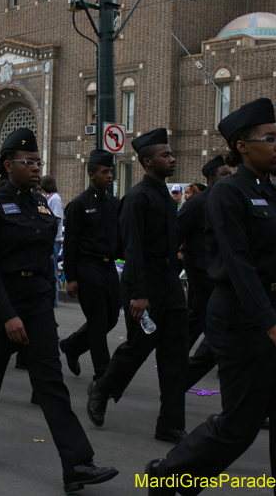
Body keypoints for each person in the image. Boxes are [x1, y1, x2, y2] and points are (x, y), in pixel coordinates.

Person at [145, 98, 276, 496]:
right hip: (243, 321)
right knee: (240, 425)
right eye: (270, 139)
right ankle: (169, 475)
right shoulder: (227, 193)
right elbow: (241, 269)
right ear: (242, 146)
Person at [0, 128, 118, 492]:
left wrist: (46, 299)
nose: (35, 168)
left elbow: (46, 258)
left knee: (51, 383)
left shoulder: (40, 204)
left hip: (36, 303)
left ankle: (77, 463)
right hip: (1, 305)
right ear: (7, 165)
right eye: (28, 162)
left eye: (38, 162)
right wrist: (8, 315)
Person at [86, 128, 188, 445]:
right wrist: (140, 294)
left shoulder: (166, 198)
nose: (172, 159)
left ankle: (170, 424)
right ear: (147, 161)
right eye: (165, 155)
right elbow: (132, 250)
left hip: (169, 284)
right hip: (144, 285)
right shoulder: (137, 198)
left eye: (171, 154)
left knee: (175, 356)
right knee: (139, 348)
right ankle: (102, 388)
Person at [59, 150, 121, 380]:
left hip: (108, 267)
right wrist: (71, 277)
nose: (110, 175)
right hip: (87, 267)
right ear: (92, 175)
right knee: (97, 322)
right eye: (105, 172)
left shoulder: (114, 203)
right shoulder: (79, 205)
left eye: (111, 171)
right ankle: (102, 375)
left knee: (111, 318)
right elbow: (70, 244)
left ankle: (72, 346)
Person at [177, 155, 233, 392]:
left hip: (221, 272)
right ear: (211, 179)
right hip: (202, 272)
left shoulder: (229, 200)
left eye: (230, 174)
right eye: (224, 174)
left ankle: (178, 360)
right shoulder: (199, 202)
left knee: (198, 318)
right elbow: (178, 231)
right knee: (218, 325)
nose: (229, 178)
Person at [40, 175, 64, 307]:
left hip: (53, 239)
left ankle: (54, 298)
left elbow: (56, 219)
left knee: (53, 268)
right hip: (50, 238)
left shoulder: (55, 199)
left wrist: (52, 234)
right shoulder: (49, 198)